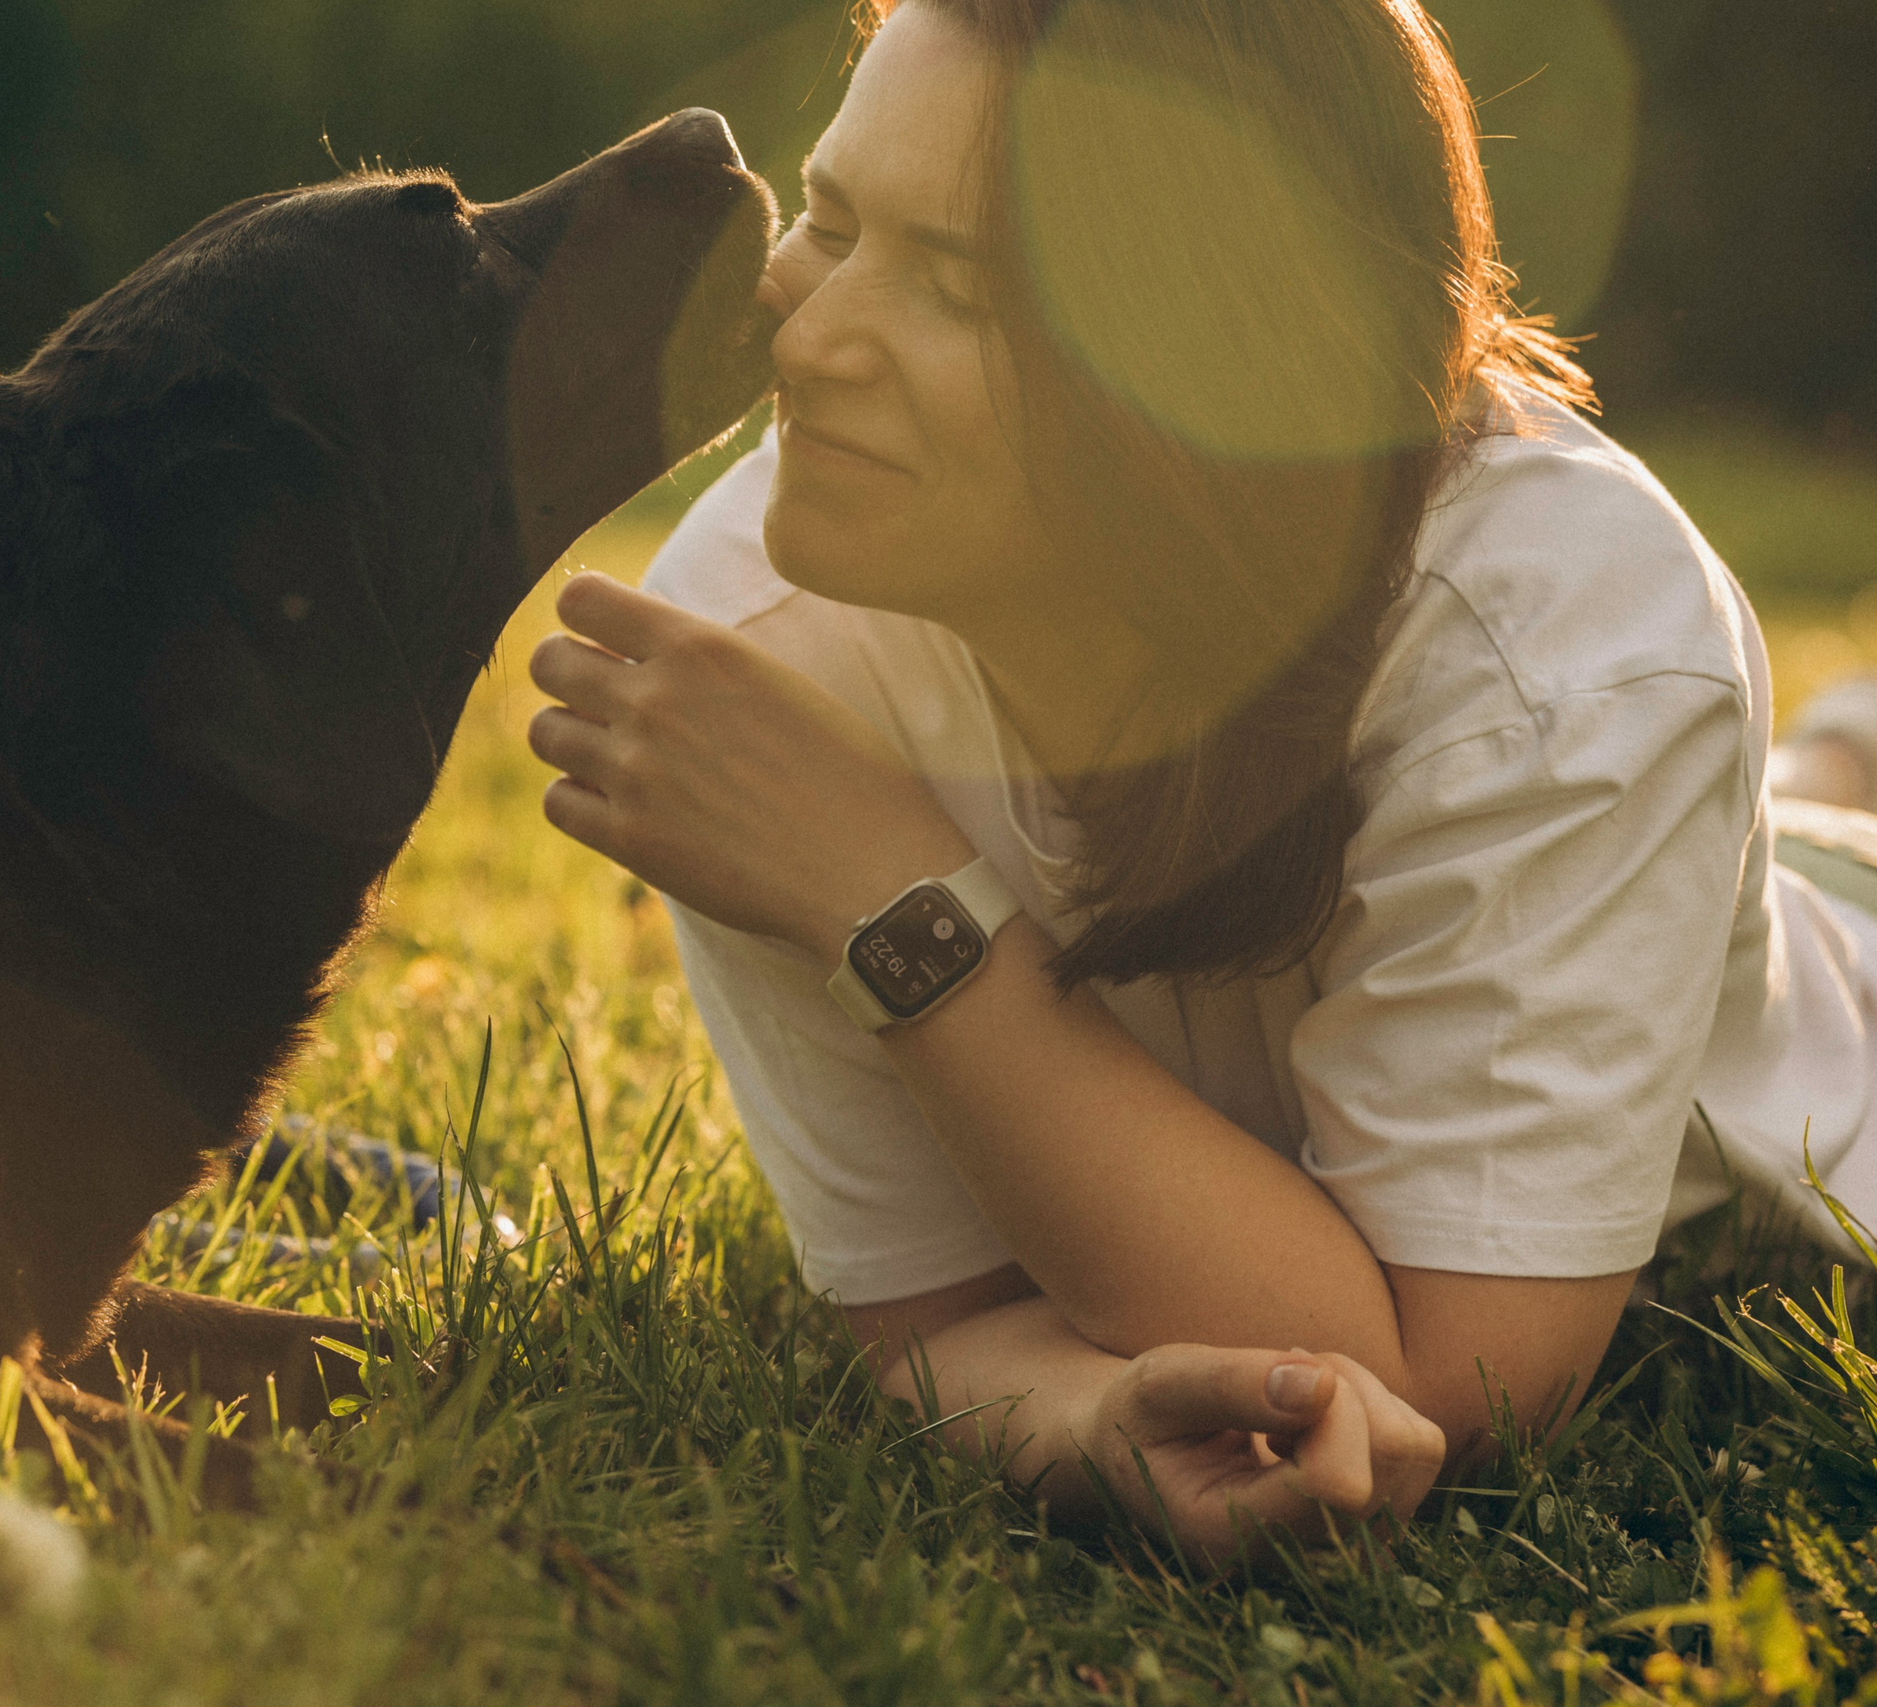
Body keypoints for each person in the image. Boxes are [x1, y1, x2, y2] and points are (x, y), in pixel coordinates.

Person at [522, 0, 1877, 1563]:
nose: (808, 344)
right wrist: (1087, 1426)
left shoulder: (1571, 654)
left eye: (957, 284)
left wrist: (896, 906)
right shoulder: (760, 651)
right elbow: (936, 1322)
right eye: (827, 222)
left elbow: (1439, 1389)